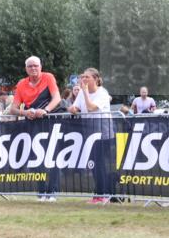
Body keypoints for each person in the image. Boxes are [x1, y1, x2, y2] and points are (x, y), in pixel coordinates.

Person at [10, 55, 62, 201]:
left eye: (36, 65)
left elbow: (57, 98)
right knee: (36, 157)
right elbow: (13, 109)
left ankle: (53, 191)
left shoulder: (48, 77)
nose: (33, 68)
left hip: (50, 121)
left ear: (41, 67)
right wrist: (25, 113)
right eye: (30, 66)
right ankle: (41, 191)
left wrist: (45, 110)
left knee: (52, 155)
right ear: (26, 69)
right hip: (32, 124)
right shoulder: (21, 84)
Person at [68, 68, 115, 204]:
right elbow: (74, 108)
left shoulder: (102, 93)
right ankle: (100, 194)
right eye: (83, 77)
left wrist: (85, 92)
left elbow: (90, 108)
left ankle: (102, 194)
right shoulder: (82, 93)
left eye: (87, 77)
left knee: (98, 162)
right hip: (89, 130)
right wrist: (73, 109)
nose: (84, 79)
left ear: (95, 79)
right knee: (93, 163)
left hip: (103, 131)